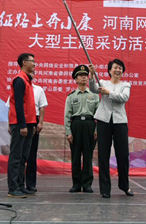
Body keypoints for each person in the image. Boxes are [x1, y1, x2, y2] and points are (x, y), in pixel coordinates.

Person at [89, 59, 134, 198]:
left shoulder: (125, 85)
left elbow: (124, 97)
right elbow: (93, 89)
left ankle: (124, 186)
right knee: (103, 155)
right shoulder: (102, 82)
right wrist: (92, 74)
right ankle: (105, 189)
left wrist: (108, 92)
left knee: (123, 155)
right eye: (115, 68)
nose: (117, 70)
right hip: (103, 121)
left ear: (122, 71)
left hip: (120, 121)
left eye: (120, 68)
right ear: (109, 70)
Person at [65, 64, 99, 193]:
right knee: (76, 156)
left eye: (85, 75)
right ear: (75, 79)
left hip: (90, 125)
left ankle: (87, 184)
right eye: (80, 75)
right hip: (76, 125)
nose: (84, 77)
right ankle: (76, 184)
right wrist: (68, 132)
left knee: (88, 156)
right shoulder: (71, 96)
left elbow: (99, 115)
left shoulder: (94, 95)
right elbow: (67, 115)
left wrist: (96, 130)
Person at [7, 53, 37, 198]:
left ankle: (20, 185)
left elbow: (29, 105)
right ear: (24, 63)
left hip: (29, 123)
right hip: (20, 124)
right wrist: (22, 125)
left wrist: (32, 124)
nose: (34, 64)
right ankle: (13, 188)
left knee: (23, 157)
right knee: (16, 157)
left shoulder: (27, 80)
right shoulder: (19, 80)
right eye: (32, 61)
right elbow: (18, 104)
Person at [25, 82, 48, 193]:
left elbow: (42, 107)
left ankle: (31, 184)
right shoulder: (17, 85)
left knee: (31, 154)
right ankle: (17, 184)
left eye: (32, 73)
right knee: (18, 155)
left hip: (34, 119)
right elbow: (11, 106)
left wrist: (41, 122)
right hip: (19, 119)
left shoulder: (38, 89)